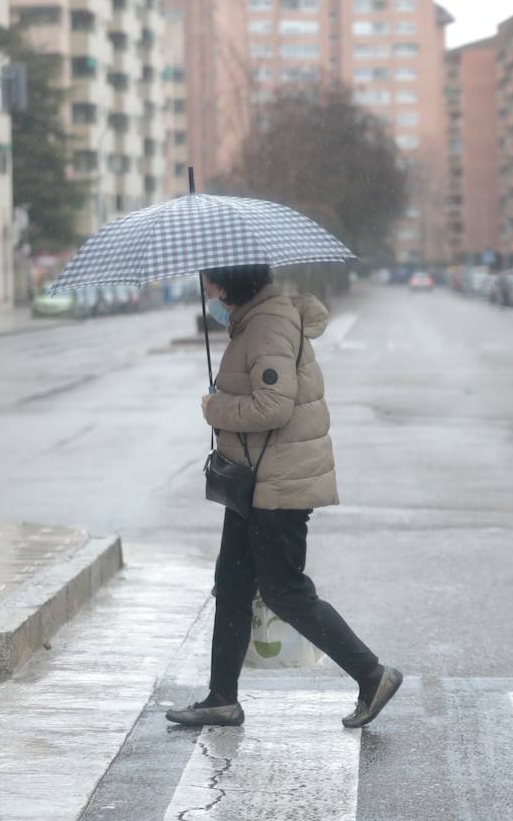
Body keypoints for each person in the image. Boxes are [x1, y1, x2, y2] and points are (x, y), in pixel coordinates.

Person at [166, 265, 402, 730]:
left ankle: (372, 674)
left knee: (284, 591)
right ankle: (221, 699)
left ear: (231, 282)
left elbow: (273, 406)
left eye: (209, 281)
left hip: (277, 484)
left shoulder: (268, 325)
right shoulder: (252, 323)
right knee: (232, 585)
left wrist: (215, 408)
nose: (206, 290)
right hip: (252, 481)